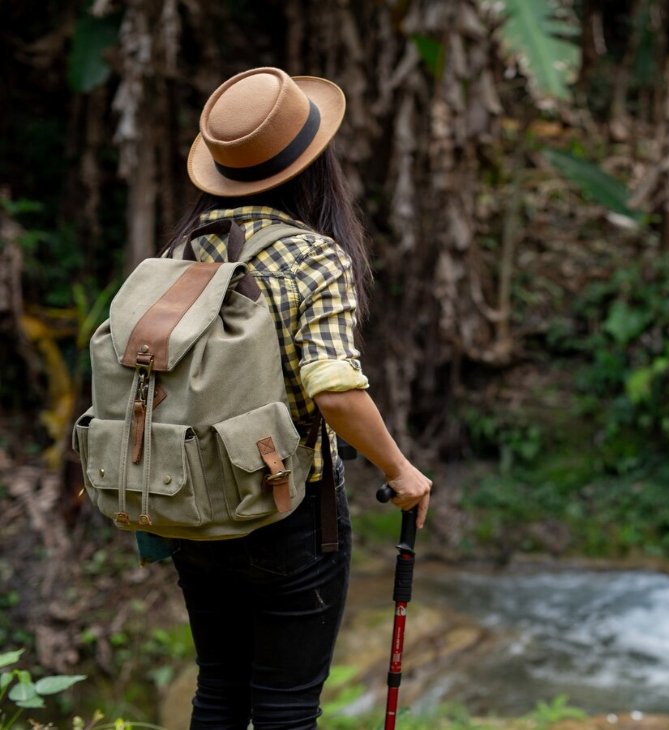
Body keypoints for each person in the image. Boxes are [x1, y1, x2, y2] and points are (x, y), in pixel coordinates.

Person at [164, 67, 432, 729]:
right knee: (286, 706)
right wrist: (401, 471)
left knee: (219, 690)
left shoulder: (180, 253)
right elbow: (333, 390)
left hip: (192, 504)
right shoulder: (314, 256)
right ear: (315, 166)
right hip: (290, 510)